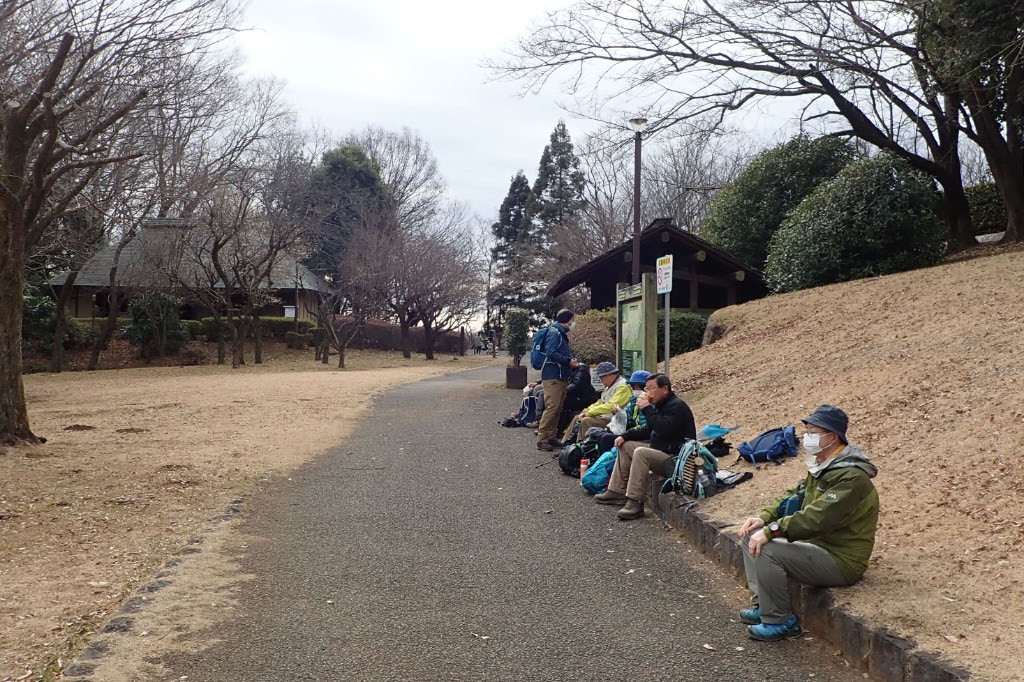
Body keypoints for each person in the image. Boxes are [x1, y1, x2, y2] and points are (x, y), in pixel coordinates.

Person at [738, 405, 879, 642]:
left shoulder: (851, 477)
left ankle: (780, 621)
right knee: (749, 534)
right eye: (808, 430)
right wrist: (764, 517)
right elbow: (794, 494)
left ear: (832, 437)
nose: (807, 437)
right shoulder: (824, 465)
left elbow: (818, 517)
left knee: (767, 548)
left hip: (841, 559)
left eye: (814, 431)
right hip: (816, 546)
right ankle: (763, 606)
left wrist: (773, 529)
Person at [594, 373, 696, 520]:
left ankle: (635, 502)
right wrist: (625, 436)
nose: (648, 393)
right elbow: (649, 429)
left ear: (665, 388)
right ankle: (616, 491)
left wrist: (648, 409)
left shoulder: (677, 406)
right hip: (661, 451)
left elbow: (663, 430)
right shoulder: (660, 405)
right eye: (647, 389)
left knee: (641, 452)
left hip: (676, 459)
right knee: (627, 445)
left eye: (652, 389)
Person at [535, 309, 579, 452]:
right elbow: (551, 351)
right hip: (553, 375)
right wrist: (568, 361)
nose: (573, 323)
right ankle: (542, 438)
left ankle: (551, 436)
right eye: (572, 319)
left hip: (559, 375)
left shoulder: (559, 333)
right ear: (567, 320)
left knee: (558, 407)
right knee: (552, 407)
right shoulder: (555, 333)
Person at [561, 362, 632, 444]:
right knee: (577, 417)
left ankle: (580, 448)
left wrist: (590, 413)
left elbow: (610, 406)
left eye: (601, 377)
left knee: (586, 421)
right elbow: (600, 402)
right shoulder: (611, 386)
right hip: (606, 417)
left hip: (615, 420)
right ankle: (565, 445)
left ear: (609, 375)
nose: (600, 380)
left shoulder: (623, 386)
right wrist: (586, 411)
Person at [557, 361, 599, 437]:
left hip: (584, 398)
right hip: (576, 396)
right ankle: (541, 422)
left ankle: (560, 430)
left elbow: (576, 384)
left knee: (563, 403)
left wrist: (562, 390)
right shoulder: (570, 369)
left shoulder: (581, 369)